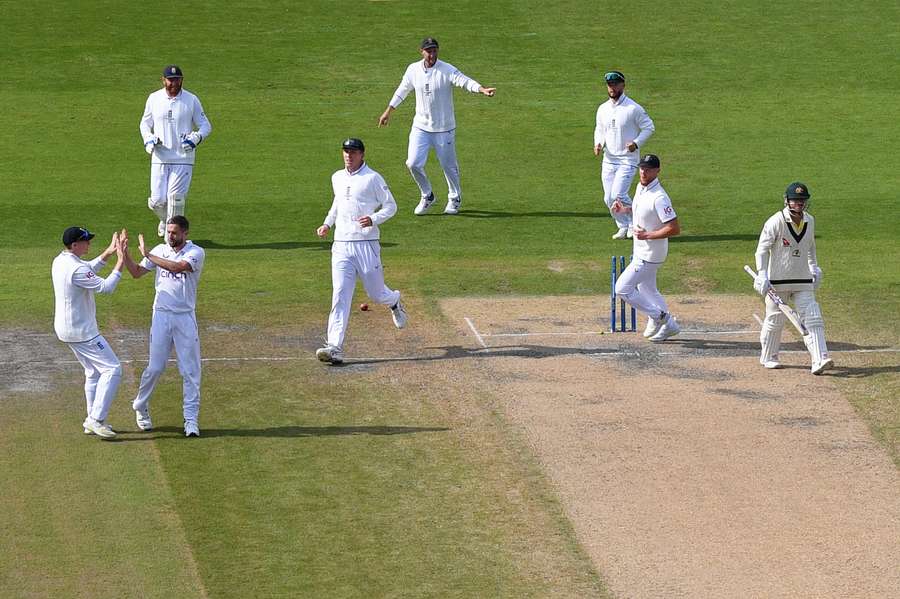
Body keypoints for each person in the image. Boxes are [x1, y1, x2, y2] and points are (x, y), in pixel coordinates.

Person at [378, 37, 496, 216]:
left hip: (444, 129)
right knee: (413, 163)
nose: (432, 54)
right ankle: (428, 195)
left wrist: (481, 89)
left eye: (434, 50)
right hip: (421, 127)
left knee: (449, 166)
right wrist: (388, 111)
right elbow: (403, 89)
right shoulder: (413, 69)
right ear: (422, 52)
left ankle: (454, 198)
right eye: (428, 51)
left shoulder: (447, 69)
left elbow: (464, 81)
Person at [315, 138, 408, 364]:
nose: (349, 155)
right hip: (341, 245)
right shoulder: (336, 177)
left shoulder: (373, 178)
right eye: (346, 151)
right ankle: (334, 346)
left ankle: (394, 300)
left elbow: (391, 206)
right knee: (340, 294)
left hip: (366, 244)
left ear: (362, 154)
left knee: (376, 294)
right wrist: (328, 223)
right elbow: (337, 203)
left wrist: (373, 219)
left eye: (354, 152)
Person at [122, 216, 205, 436]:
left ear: (185, 233)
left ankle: (191, 421)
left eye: (175, 232)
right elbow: (137, 273)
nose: (170, 236)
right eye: (168, 231)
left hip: (185, 317)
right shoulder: (160, 249)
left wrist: (148, 254)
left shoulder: (195, 253)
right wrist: (126, 255)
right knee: (155, 367)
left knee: (190, 371)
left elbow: (178, 268)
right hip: (161, 315)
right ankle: (140, 405)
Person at [51, 227, 126, 439]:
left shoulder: (61, 260)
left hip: (67, 329)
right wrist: (120, 260)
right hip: (82, 332)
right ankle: (96, 419)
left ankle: (89, 420)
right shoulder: (77, 269)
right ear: (74, 245)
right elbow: (105, 287)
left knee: (93, 372)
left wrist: (109, 252)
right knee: (113, 369)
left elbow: (88, 268)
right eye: (85, 241)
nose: (89, 244)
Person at [752, 182, 833, 374]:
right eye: (795, 200)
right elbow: (761, 250)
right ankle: (769, 356)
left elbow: (810, 246)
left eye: (802, 200)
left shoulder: (810, 220)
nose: (799, 203)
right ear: (787, 201)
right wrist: (762, 273)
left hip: (803, 280)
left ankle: (819, 358)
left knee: (813, 316)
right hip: (777, 282)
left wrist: (814, 267)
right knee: (775, 320)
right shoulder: (775, 221)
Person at [613, 154, 681, 342]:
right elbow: (641, 211)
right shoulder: (640, 188)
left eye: (648, 169)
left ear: (657, 171)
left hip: (651, 254)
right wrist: (624, 210)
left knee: (622, 289)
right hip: (640, 250)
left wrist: (648, 235)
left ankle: (662, 318)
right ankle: (666, 325)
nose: (643, 172)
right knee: (648, 290)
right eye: (642, 168)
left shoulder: (660, 197)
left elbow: (674, 228)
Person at [140, 65, 212, 237]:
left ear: (182, 80)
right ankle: (165, 221)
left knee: (175, 201)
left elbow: (205, 126)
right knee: (157, 201)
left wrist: (196, 138)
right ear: (163, 80)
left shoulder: (191, 99)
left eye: (177, 79)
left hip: (183, 158)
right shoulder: (154, 98)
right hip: (160, 157)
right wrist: (148, 139)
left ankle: (170, 242)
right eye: (170, 79)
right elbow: (144, 123)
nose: (174, 83)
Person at [593, 70, 655, 239]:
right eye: (609, 85)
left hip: (627, 160)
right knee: (608, 198)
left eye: (615, 84)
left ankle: (636, 221)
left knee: (618, 194)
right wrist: (598, 143)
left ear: (623, 85)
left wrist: (636, 143)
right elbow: (599, 129)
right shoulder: (603, 109)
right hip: (609, 159)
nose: (612, 88)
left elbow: (649, 127)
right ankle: (623, 225)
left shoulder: (633, 108)